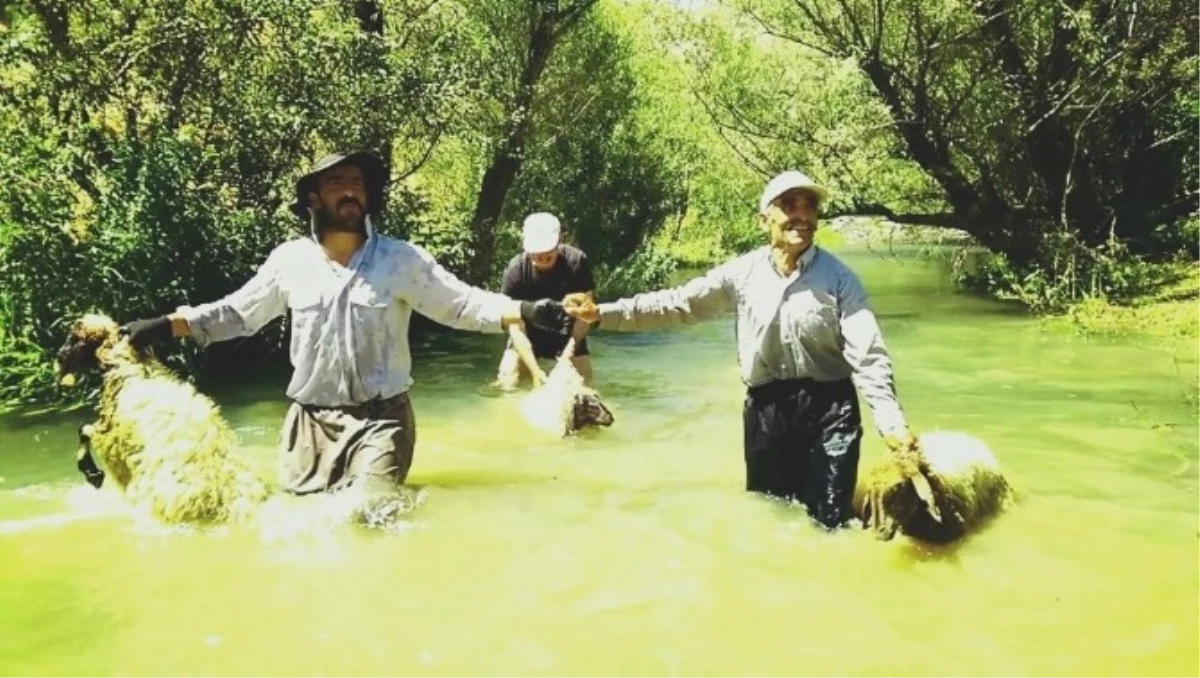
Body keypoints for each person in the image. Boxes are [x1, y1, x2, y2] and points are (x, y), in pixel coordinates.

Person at [118, 151, 572, 497]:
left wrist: (527, 311)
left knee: (367, 518)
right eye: (338, 183)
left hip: (381, 422)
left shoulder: (400, 260)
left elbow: (460, 305)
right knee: (303, 532)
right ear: (314, 198)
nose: (351, 191)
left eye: (357, 183)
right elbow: (235, 315)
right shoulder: (288, 262)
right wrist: (164, 325)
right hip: (308, 424)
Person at [563, 170, 919, 530]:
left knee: (830, 522)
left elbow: (868, 354)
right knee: (770, 515)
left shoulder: (840, 279)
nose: (803, 215)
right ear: (764, 219)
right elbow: (678, 304)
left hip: (832, 410)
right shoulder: (741, 274)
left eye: (810, 206)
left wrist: (892, 424)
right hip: (768, 409)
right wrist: (601, 315)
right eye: (789, 205)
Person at [494, 212, 596, 390]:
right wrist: (535, 371)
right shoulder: (516, 269)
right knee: (508, 381)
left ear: (559, 242)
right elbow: (515, 327)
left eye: (548, 253)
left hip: (569, 333)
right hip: (527, 335)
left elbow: (586, 314)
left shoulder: (577, 262)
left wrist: (567, 355)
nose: (543, 258)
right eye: (537, 254)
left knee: (584, 386)